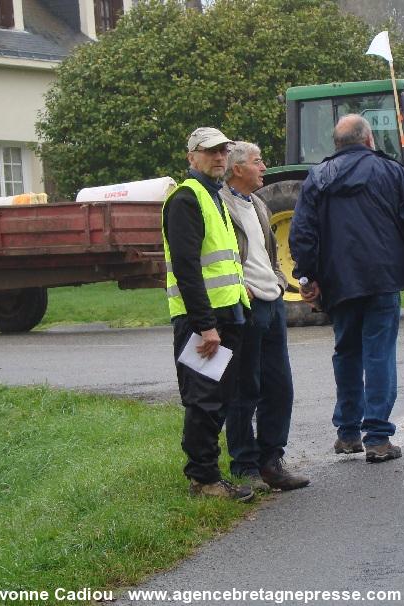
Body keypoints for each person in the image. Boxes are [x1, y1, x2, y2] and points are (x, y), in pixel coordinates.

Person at [289, 114, 404, 463]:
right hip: (382, 279)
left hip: (338, 282)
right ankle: (378, 437)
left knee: (347, 352)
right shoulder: (393, 172)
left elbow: (302, 233)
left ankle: (348, 433)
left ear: (336, 146)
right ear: (368, 141)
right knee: (379, 352)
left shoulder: (317, 177)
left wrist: (307, 277)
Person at [162, 127, 253, 502]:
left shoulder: (213, 195)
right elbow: (187, 269)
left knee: (218, 397)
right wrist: (205, 326)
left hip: (227, 314)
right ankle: (203, 479)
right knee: (203, 399)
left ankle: (209, 475)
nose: (219, 157)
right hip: (204, 321)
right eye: (210, 151)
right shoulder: (187, 198)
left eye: (223, 151)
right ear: (191, 157)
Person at [220, 141, 310, 491]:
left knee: (280, 386)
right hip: (248, 306)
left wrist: (276, 279)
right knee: (246, 387)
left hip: (272, 304)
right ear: (237, 168)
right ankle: (245, 465)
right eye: (258, 162)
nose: (264, 167)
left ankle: (272, 461)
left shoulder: (256, 202)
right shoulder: (220, 204)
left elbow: (267, 252)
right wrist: (244, 288)